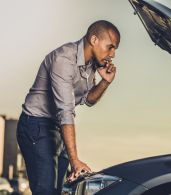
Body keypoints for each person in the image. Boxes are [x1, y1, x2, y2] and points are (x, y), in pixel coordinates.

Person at [16, 20, 120, 195]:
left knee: (60, 190)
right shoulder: (64, 59)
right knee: (45, 190)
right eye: (110, 47)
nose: (113, 54)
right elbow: (65, 111)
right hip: (36, 125)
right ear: (94, 39)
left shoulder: (90, 64)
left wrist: (105, 82)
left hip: (58, 128)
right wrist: (75, 160)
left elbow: (88, 100)